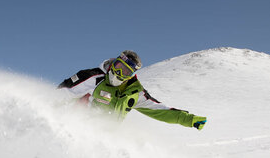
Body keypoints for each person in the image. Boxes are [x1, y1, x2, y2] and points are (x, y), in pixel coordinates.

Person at [58, 50, 207, 130]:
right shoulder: (94, 77)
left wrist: (189, 119)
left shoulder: (134, 93)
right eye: (118, 66)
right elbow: (61, 94)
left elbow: (159, 110)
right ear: (114, 62)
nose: (119, 73)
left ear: (131, 75)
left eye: (126, 71)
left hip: (105, 137)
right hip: (78, 129)